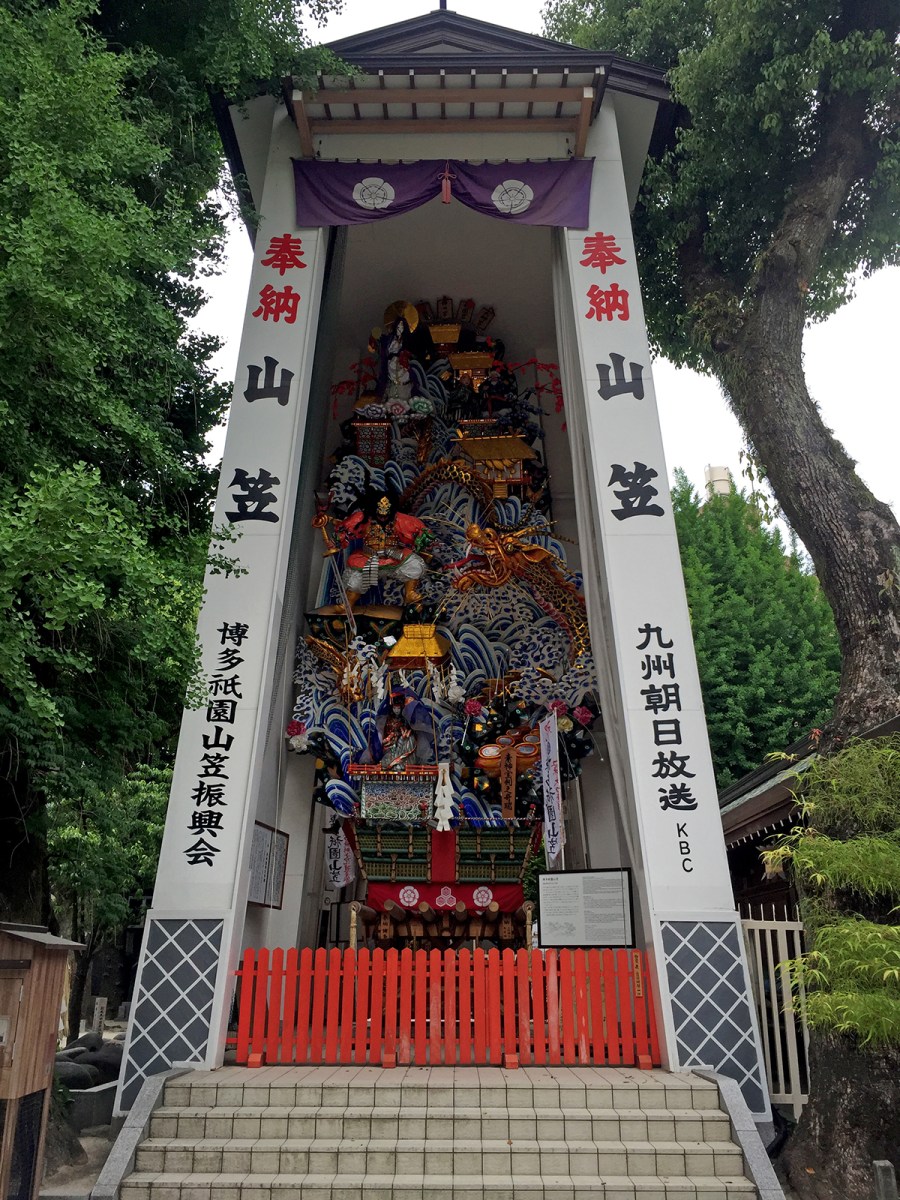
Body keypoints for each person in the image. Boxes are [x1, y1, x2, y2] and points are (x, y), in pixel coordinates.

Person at [336, 491, 432, 609]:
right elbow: (343, 531)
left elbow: (422, 532)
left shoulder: (400, 519)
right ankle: (347, 605)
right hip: (369, 559)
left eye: (386, 515)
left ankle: (410, 593)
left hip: (394, 558)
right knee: (356, 581)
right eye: (380, 515)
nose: (382, 518)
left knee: (415, 565)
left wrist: (422, 539)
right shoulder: (363, 519)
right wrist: (337, 538)